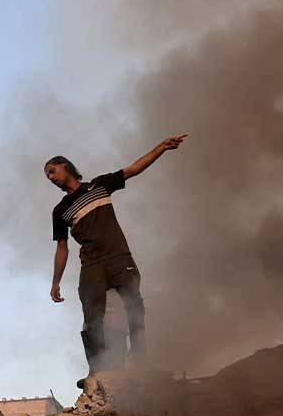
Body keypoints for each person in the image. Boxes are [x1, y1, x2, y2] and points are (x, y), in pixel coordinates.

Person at [45, 135, 187, 387]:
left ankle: (141, 362)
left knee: (134, 307)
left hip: (120, 257)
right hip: (92, 264)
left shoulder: (99, 186)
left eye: (52, 171)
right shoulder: (60, 211)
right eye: (48, 177)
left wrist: (162, 148)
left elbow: (133, 169)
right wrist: (55, 283)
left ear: (65, 166)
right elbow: (62, 248)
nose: (51, 178)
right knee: (91, 316)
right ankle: (97, 371)